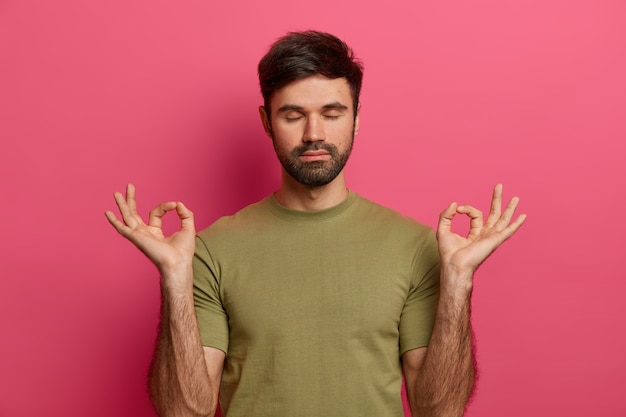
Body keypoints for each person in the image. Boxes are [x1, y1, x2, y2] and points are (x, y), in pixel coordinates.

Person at [105, 31, 526, 417]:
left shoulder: (415, 246)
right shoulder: (211, 250)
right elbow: (183, 412)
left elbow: (439, 411)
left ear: (356, 118)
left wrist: (458, 281)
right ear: (266, 122)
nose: (313, 133)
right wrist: (174, 277)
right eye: (293, 115)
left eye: (332, 112)